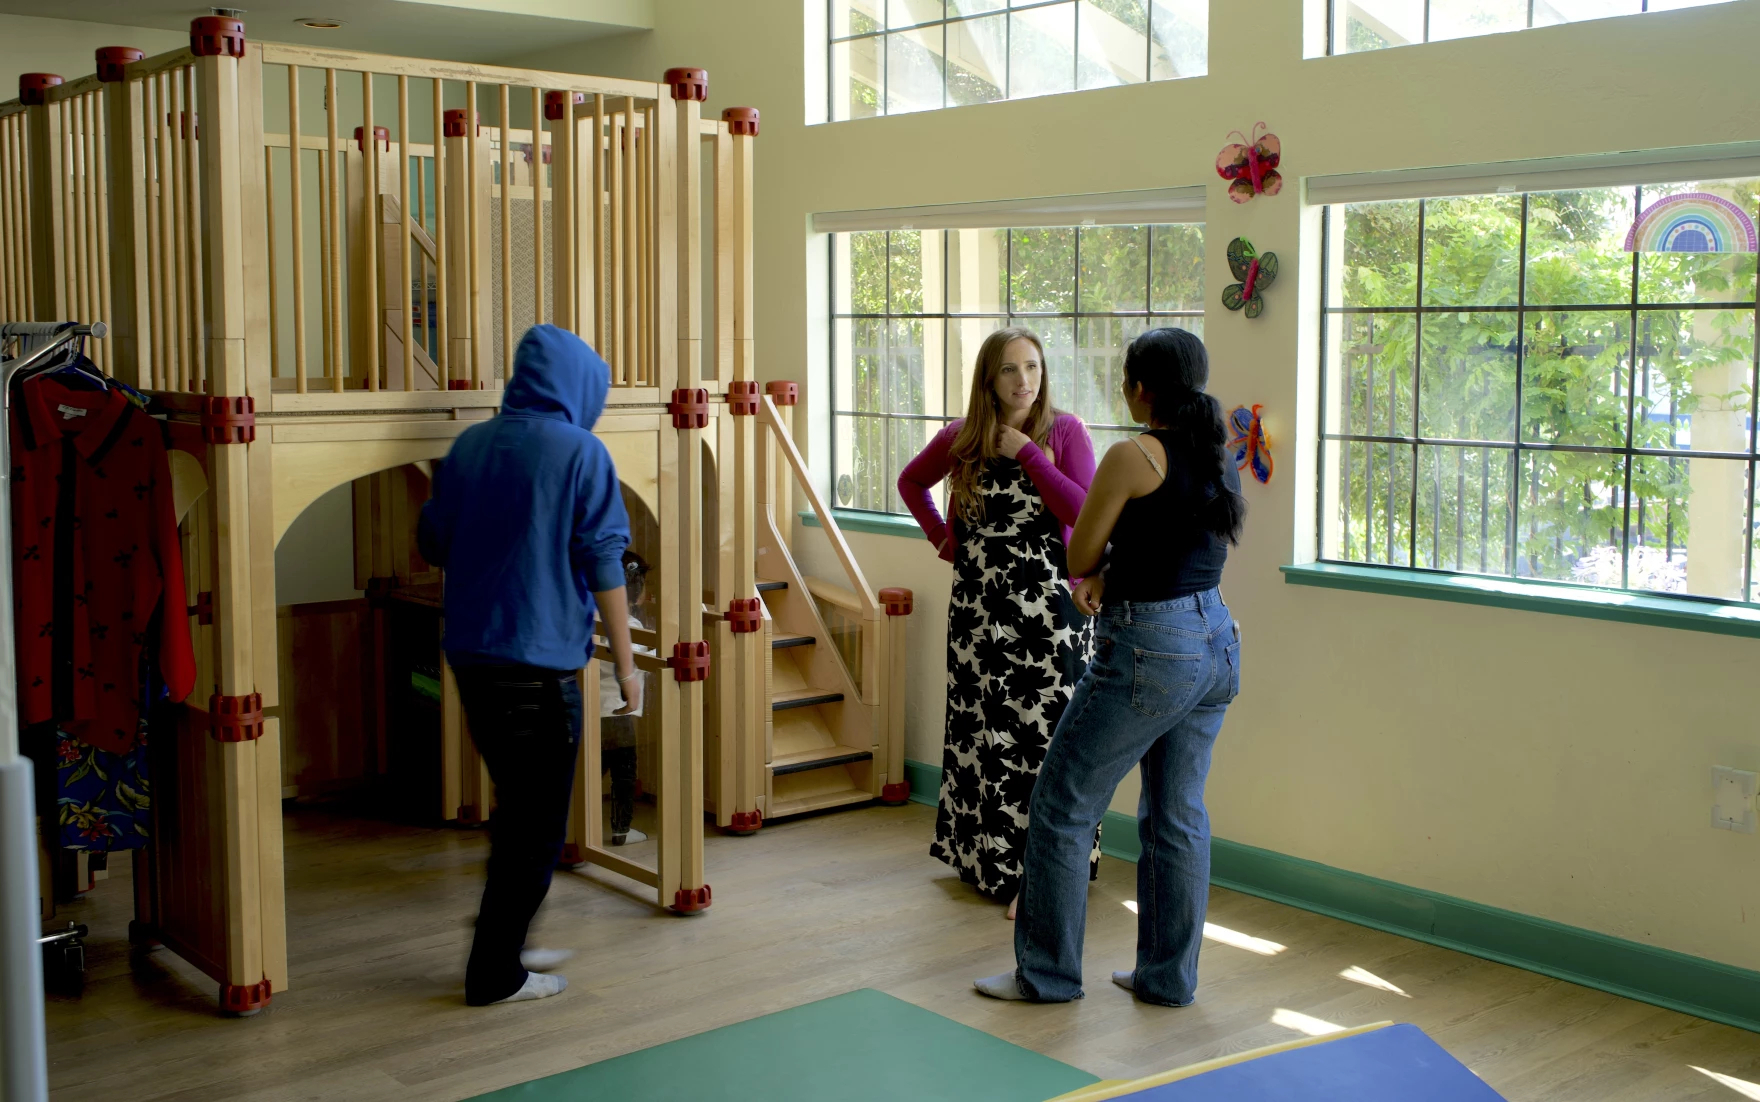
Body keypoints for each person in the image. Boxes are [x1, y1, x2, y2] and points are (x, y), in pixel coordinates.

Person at [974, 327, 1245, 1007]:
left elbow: (1079, 553)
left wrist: (1098, 573)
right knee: (1177, 815)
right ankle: (1167, 979)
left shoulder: (1132, 454)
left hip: (1150, 647)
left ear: (1139, 388)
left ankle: (1046, 976)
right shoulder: (1218, 455)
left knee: (1062, 805)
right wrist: (1114, 577)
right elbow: (1178, 550)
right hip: (1216, 640)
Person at [417, 324, 642, 1007]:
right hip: (538, 669)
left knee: (520, 812)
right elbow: (604, 562)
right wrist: (628, 666)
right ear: (579, 387)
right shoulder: (581, 451)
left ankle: (506, 942)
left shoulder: (471, 445)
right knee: (536, 827)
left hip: (472, 657)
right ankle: (496, 974)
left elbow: (433, 541)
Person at [897, 326, 1100, 922]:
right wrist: (942, 539)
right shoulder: (961, 437)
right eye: (1010, 369)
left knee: (1039, 741)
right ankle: (984, 861)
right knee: (980, 732)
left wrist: (1029, 455)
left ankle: (1041, 875)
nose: (1023, 380)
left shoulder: (1065, 432)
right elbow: (911, 482)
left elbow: (1086, 512)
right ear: (989, 378)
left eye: (1032, 367)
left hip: (1046, 619)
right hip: (977, 612)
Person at [600, 551, 651, 846]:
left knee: (593, 769)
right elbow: (638, 659)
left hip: (593, 709)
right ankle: (621, 828)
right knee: (624, 773)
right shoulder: (628, 624)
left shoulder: (592, 616)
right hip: (617, 711)